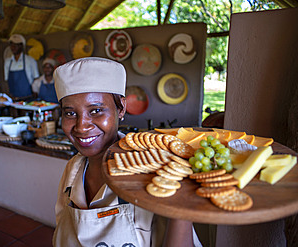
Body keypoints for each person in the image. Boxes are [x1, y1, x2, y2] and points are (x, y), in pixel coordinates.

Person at [52, 57, 201, 246]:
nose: (81, 127)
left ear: (121, 108)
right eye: (70, 113)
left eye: (96, 110)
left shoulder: (154, 174)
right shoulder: (72, 170)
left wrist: (181, 199)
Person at [4, 34, 39, 98]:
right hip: (13, 98)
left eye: (16, 45)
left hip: (28, 97)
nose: (13, 47)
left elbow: (36, 79)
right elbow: (6, 80)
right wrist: (8, 94)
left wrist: (35, 93)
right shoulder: (8, 62)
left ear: (22, 46)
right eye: (11, 45)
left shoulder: (30, 61)